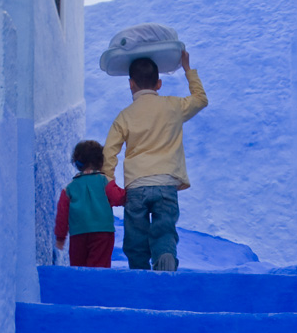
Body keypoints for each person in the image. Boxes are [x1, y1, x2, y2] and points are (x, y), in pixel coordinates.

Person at [102, 50, 208, 271]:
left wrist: (110, 182)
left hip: (136, 186)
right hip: (166, 183)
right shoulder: (174, 106)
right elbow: (200, 99)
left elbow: (109, 152)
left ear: (131, 84)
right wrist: (188, 69)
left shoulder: (124, 116)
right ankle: (165, 264)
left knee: (136, 241)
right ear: (159, 84)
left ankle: (139, 277)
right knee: (164, 232)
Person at [54, 140, 126, 268]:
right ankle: (96, 287)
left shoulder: (69, 188)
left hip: (78, 235)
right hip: (103, 233)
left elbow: (62, 214)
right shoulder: (105, 181)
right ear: (101, 161)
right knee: (99, 267)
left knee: (78, 267)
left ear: (77, 163)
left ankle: (81, 288)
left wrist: (60, 237)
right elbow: (118, 198)